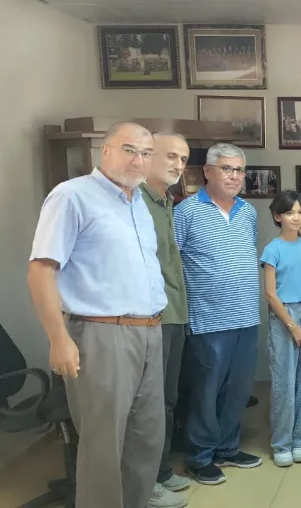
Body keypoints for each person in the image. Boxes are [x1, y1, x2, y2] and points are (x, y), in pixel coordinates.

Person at [27, 122, 169, 508]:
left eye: (146, 153)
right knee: (104, 446)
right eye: (129, 150)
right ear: (105, 151)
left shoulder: (138, 203)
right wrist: (59, 339)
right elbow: (41, 271)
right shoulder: (72, 196)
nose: (138, 160)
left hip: (149, 332)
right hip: (101, 334)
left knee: (146, 440)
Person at [174, 143, 262, 485]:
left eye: (239, 170)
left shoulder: (248, 212)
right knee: (205, 392)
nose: (235, 176)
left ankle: (227, 447)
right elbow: (173, 264)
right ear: (208, 172)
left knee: (237, 391)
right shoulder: (186, 212)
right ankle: (199, 457)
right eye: (227, 169)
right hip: (208, 320)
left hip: (246, 316)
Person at [140, 132, 193, 507]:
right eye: (171, 156)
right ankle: (143, 485)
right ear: (148, 155)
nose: (178, 164)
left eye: (183, 159)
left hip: (174, 314)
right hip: (148, 320)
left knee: (167, 400)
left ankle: (160, 471)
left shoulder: (167, 202)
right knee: (147, 404)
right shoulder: (134, 202)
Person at [261, 191, 301, 467]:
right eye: (290, 213)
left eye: (300, 212)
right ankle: (282, 443)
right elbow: (270, 294)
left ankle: (300, 440)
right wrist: (294, 328)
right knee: (285, 382)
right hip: (284, 315)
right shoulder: (272, 249)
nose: (296, 217)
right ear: (278, 217)